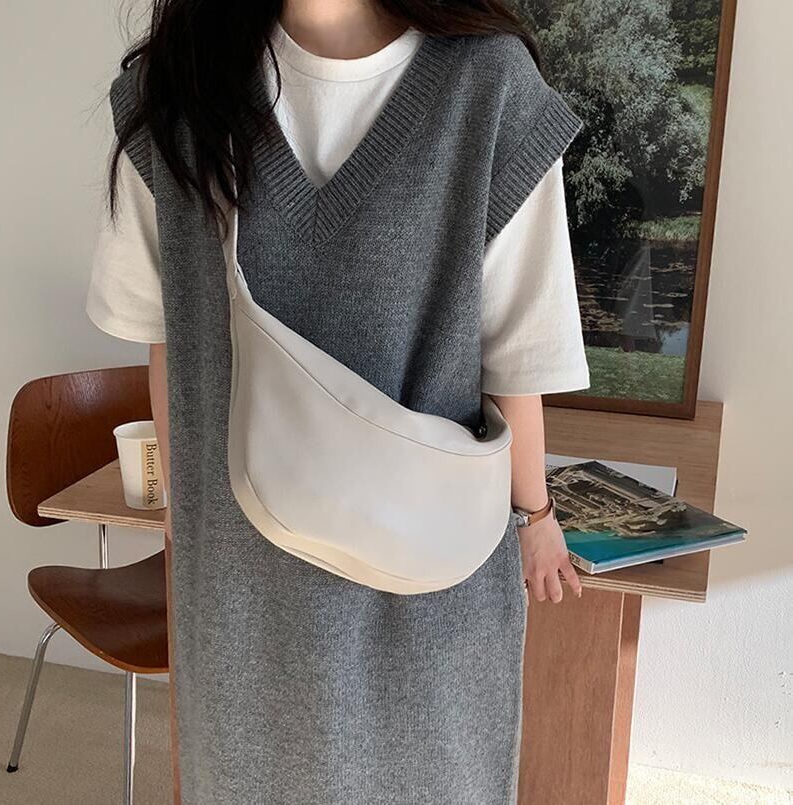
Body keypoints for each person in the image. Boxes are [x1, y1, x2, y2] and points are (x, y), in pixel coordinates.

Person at [86, 1, 590, 802]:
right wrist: (537, 516)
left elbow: (168, 343)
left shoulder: (176, 87)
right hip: (382, 580)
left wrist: (195, 536)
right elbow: (517, 360)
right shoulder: (487, 83)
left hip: (284, 589)